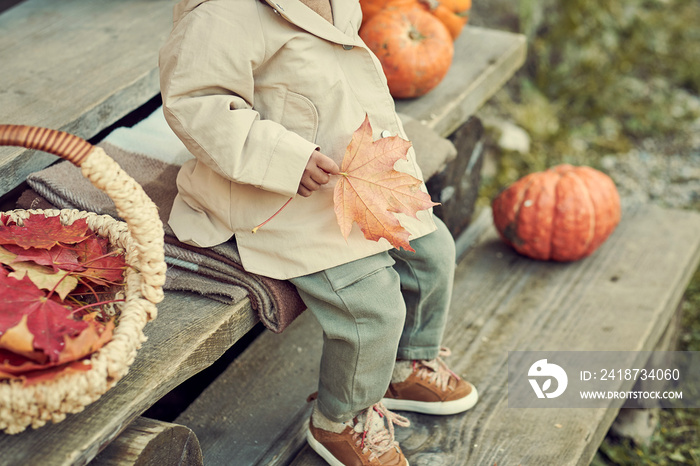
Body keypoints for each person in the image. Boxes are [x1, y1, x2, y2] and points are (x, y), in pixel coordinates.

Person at [159, 1, 478, 464]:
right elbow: (196, 105)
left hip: (348, 171)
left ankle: (408, 362)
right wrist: (288, 158)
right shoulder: (221, 14)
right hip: (275, 192)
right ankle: (340, 420)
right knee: (372, 304)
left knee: (434, 252)